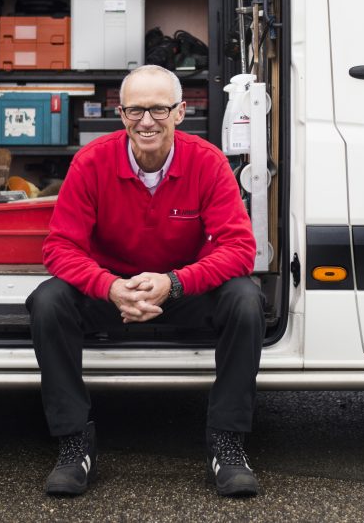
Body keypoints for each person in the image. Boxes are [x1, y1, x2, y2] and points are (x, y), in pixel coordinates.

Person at [26, 64, 266, 497]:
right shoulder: (91, 162)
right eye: (135, 111)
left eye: (158, 109)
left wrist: (175, 283)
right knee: (48, 301)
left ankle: (227, 442)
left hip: (182, 288)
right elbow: (58, 248)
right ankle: (73, 441)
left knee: (246, 299)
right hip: (112, 290)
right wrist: (109, 287)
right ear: (121, 115)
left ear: (179, 113)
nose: (147, 121)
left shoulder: (206, 162)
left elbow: (239, 249)